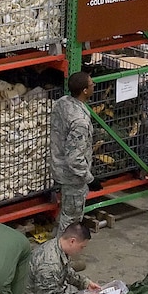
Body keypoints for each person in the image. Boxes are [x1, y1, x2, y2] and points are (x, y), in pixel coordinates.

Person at [22, 224, 97, 294]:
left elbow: (67, 271)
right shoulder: (49, 265)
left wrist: (85, 283)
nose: (81, 251)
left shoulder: (58, 246)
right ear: (72, 241)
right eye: (82, 247)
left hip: (52, 292)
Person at [50, 71, 93, 230]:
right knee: (71, 221)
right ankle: (60, 253)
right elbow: (74, 157)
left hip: (58, 167)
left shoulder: (62, 103)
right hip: (73, 177)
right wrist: (88, 178)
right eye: (91, 84)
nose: (94, 85)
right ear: (85, 91)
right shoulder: (80, 121)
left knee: (65, 213)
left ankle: (54, 245)